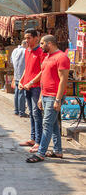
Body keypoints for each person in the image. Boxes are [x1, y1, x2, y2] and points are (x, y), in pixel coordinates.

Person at [26, 35, 69, 163]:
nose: (41, 45)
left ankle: (40, 153)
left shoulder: (62, 57)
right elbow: (43, 75)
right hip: (45, 95)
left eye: (42, 43)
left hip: (53, 96)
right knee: (54, 124)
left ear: (50, 43)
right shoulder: (48, 57)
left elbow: (63, 80)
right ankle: (57, 151)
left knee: (47, 124)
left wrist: (58, 99)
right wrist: (40, 97)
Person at [18, 29, 44, 153]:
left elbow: (42, 71)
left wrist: (31, 82)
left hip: (36, 87)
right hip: (27, 86)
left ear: (36, 38)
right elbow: (26, 68)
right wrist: (21, 80)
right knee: (32, 114)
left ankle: (39, 141)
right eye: (25, 38)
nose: (26, 40)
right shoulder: (27, 51)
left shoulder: (40, 51)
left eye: (29, 38)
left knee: (37, 114)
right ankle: (33, 138)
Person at [11, 40, 28, 117]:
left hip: (16, 74)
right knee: (21, 94)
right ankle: (21, 112)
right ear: (26, 44)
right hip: (22, 75)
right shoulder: (25, 51)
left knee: (17, 93)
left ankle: (16, 110)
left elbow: (11, 61)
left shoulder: (15, 50)